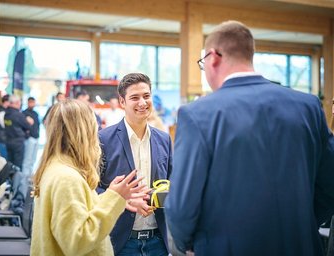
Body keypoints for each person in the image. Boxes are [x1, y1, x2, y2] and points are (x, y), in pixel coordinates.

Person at [165, 20, 334, 256]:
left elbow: (182, 205)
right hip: (301, 244)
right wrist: (300, 224)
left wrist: (187, 245)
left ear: (213, 57)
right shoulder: (308, 106)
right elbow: (328, 184)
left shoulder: (198, 115)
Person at [31, 99, 147, 256]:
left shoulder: (57, 168)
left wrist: (115, 197)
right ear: (84, 132)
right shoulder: (66, 178)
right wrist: (113, 198)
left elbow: (80, 213)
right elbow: (77, 242)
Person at [98, 73, 172, 255]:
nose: (142, 103)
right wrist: (123, 200)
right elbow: (92, 188)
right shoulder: (103, 139)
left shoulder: (164, 139)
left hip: (159, 242)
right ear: (122, 102)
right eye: (134, 98)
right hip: (121, 241)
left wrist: (161, 196)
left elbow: (173, 183)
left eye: (146, 96)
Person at [4, 95, 33, 168]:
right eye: (19, 102)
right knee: (18, 165)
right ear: (16, 103)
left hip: (8, 141)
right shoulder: (18, 115)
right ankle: (16, 179)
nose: (20, 104)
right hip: (18, 143)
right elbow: (28, 126)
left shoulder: (6, 114)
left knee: (10, 164)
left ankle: (10, 179)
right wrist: (30, 121)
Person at [21, 97, 40, 177]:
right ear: (28, 103)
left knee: (33, 159)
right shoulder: (24, 113)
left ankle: (29, 177)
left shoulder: (35, 113)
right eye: (30, 102)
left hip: (36, 138)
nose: (32, 104)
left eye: (33, 102)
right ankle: (25, 177)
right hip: (29, 139)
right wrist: (27, 136)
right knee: (27, 159)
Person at [0, 94, 10, 158]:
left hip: (4, 140)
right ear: (6, 102)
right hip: (2, 140)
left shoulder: (5, 111)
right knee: (4, 160)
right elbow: (6, 125)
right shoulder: (2, 113)